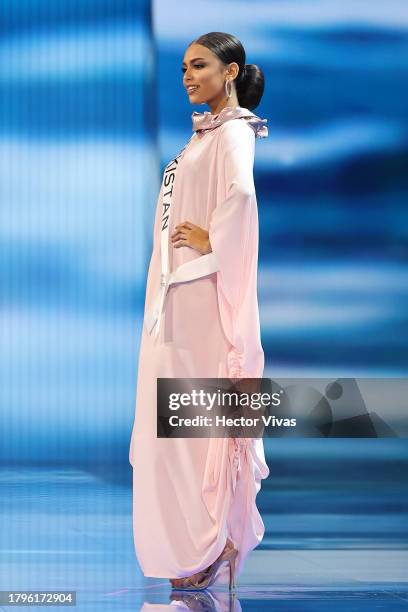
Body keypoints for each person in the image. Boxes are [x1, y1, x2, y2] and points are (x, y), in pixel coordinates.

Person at [128, 31, 270, 591]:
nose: (187, 76)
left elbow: (242, 199)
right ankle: (200, 544)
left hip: (202, 297)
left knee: (199, 424)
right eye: (183, 67)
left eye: (199, 65)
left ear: (230, 71)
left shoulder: (235, 131)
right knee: (174, 429)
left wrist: (216, 240)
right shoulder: (200, 138)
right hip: (175, 296)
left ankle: (215, 541)